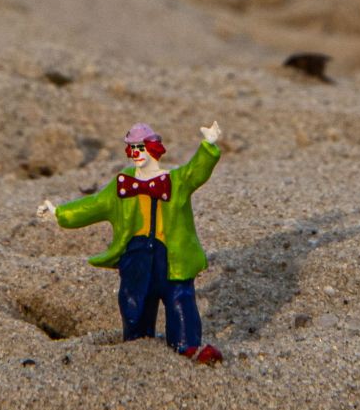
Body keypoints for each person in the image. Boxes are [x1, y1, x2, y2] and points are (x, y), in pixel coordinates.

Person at [38, 121, 223, 361]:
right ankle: (137, 344)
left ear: (153, 148)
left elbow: (195, 172)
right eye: (133, 148)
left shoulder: (175, 180)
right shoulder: (123, 184)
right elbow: (94, 205)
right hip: (136, 254)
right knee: (135, 301)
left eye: (140, 147)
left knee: (180, 299)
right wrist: (60, 214)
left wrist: (208, 145)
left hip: (172, 257)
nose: (136, 153)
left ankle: (187, 345)